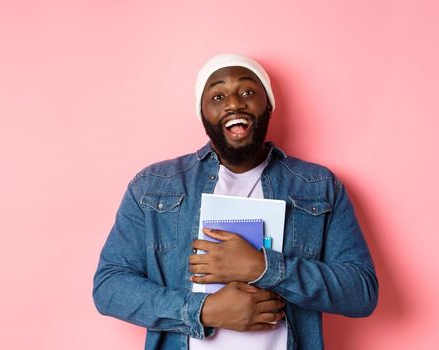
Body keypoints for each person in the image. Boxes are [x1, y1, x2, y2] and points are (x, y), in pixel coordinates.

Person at [92, 54, 378, 349]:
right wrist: (204, 311)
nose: (234, 103)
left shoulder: (319, 186)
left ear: (268, 105)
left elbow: (361, 292)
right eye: (217, 95)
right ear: (202, 113)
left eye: (247, 92)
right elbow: (110, 287)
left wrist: (264, 268)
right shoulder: (154, 185)